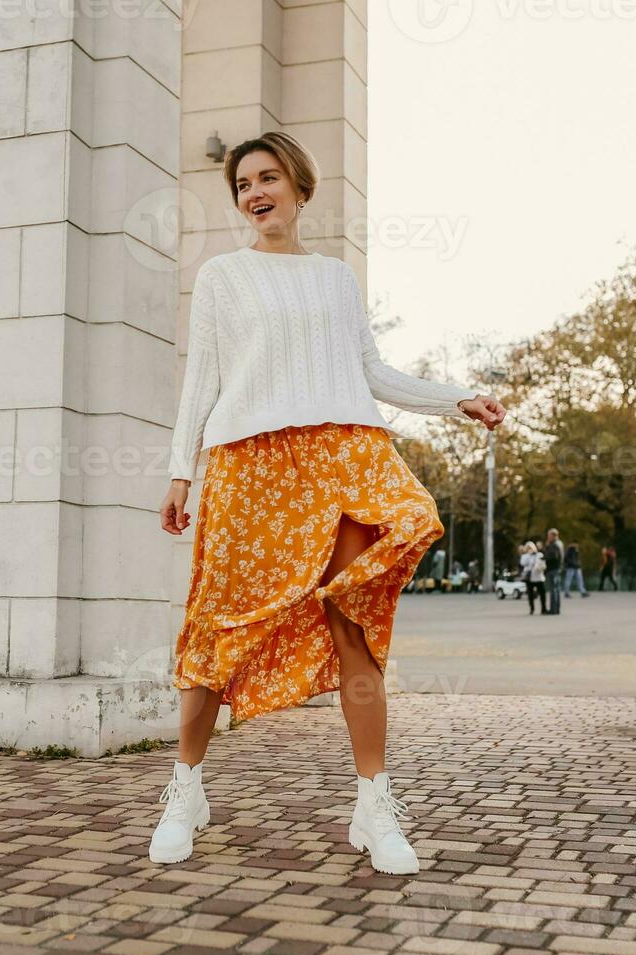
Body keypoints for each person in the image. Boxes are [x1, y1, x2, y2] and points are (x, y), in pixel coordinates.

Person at [157, 131, 508, 875]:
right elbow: (202, 379)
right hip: (248, 460)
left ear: (300, 187)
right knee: (219, 629)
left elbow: (371, 369)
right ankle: (186, 788)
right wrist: (179, 469)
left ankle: (373, 806)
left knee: (355, 627)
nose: (255, 192)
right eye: (243, 184)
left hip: (343, 453)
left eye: (268, 177)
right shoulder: (222, 276)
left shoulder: (337, 279)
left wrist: (457, 399)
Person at [520, 541, 546, 615]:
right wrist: (529, 555)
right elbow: (523, 563)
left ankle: (543, 608)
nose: (530, 549)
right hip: (530, 578)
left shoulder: (539, 555)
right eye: (528, 548)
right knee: (530, 594)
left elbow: (542, 563)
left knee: (542, 594)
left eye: (531, 548)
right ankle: (532, 609)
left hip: (539, 577)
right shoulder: (525, 556)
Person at [542, 528, 564, 614]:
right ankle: (556, 609)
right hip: (557, 568)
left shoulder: (554, 544)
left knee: (553, 590)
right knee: (556, 589)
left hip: (553, 568)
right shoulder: (559, 543)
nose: (548, 537)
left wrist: (544, 557)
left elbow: (552, 556)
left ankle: (553, 609)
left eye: (549, 535)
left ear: (553, 536)